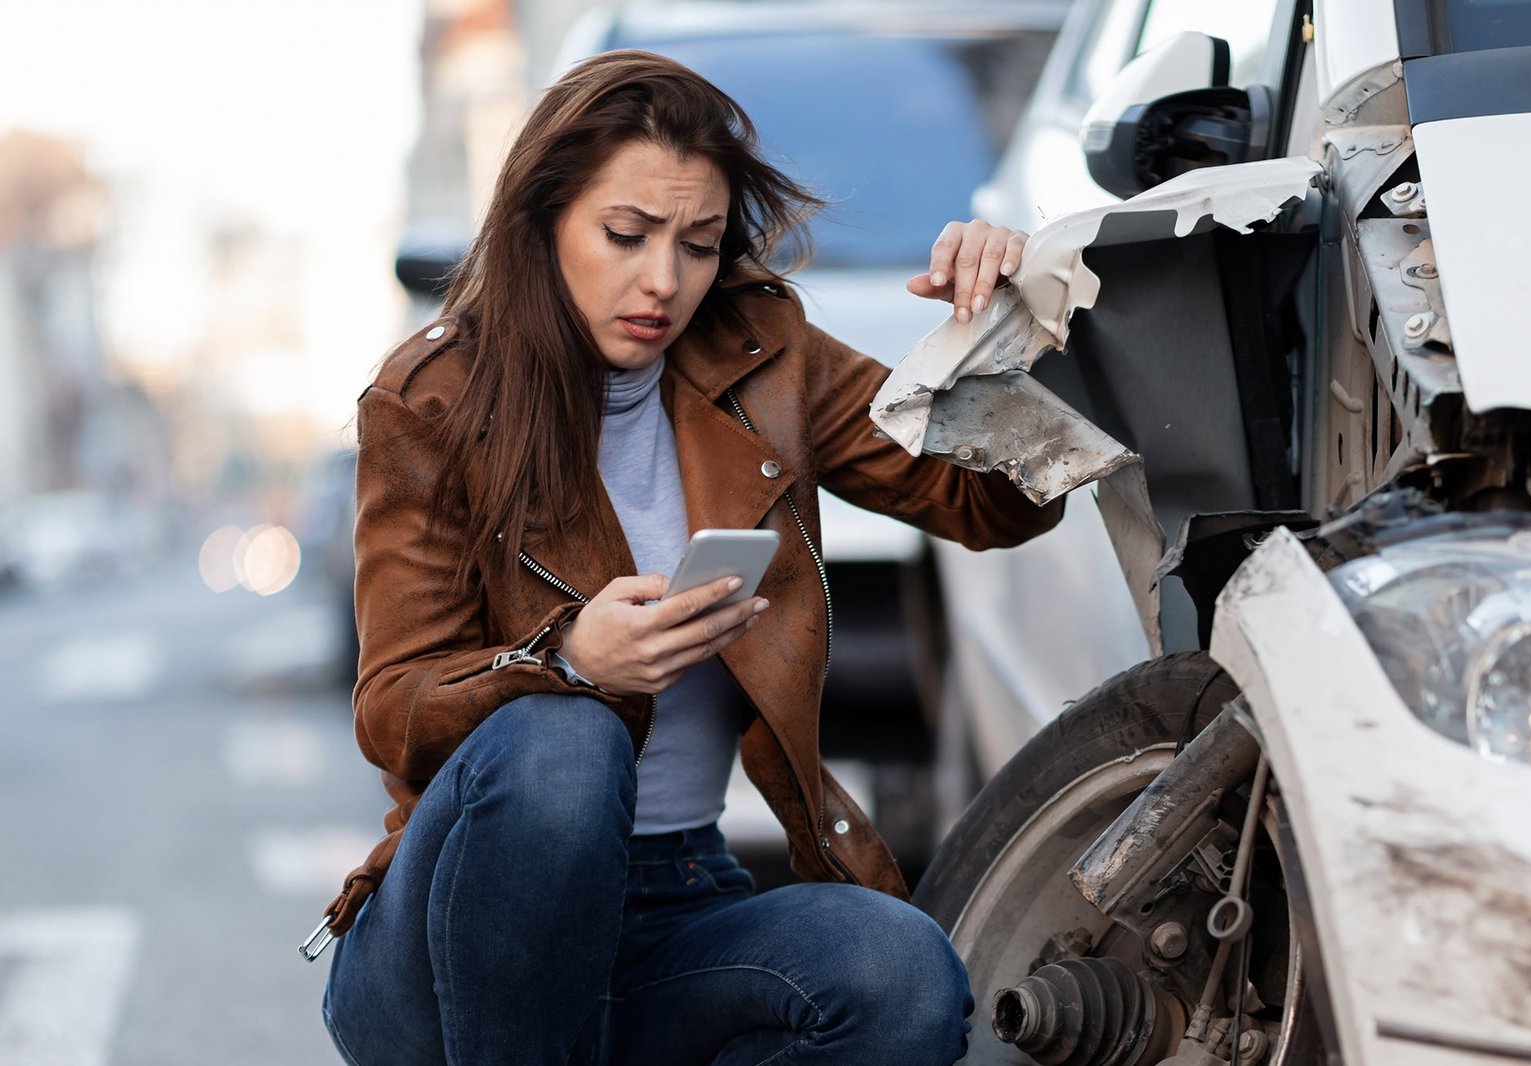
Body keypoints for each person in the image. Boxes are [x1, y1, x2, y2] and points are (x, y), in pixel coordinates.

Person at [317, 50, 1063, 1066]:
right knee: (565, 744)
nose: (663, 281)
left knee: (899, 975)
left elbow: (987, 504)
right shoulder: (434, 396)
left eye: (699, 244)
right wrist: (573, 659)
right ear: (543, 225)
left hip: (675, 904)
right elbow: (392, 705)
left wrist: (1007, 332)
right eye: (625, 235)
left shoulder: (761, 354)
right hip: (452, 944)